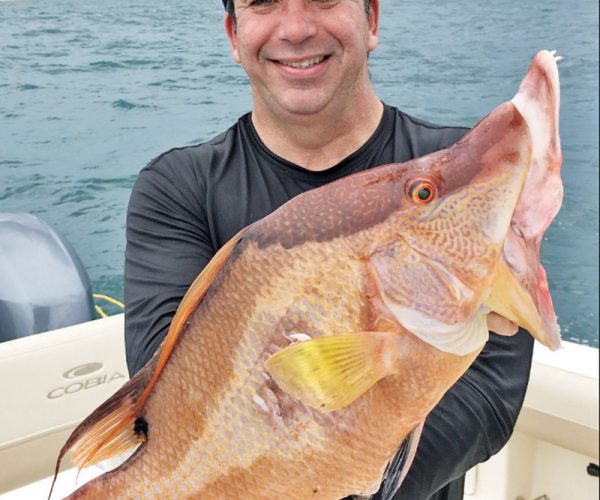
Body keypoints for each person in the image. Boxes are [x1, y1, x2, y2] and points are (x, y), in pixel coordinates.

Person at [124, 1, 534, 498]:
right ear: (234, 35)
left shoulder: (458, 184)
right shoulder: (178, 188)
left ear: (373, 21)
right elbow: (165, 398)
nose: (296, 28)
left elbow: (489, 399)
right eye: (263, 3)